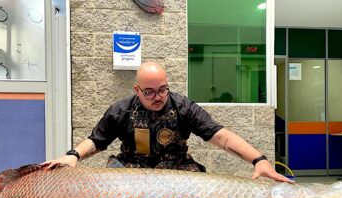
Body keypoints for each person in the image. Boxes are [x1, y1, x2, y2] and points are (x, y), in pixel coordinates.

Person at [42, 62, 293, 183]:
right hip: (131, 168)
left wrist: (259, 160)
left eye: (162, 90)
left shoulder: (184, 107)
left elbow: (222, 137)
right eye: (149, 92)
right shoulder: (120, 110)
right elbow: (97, 141)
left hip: (177, 168)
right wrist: (73, 155)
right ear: (137, 90)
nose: (157, 97)